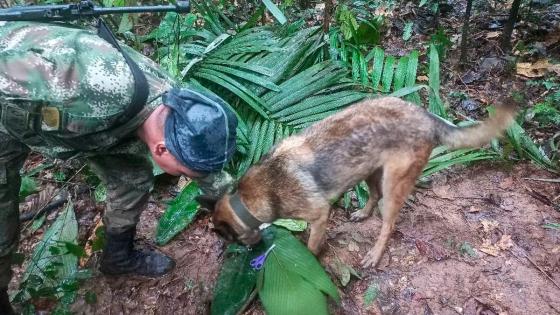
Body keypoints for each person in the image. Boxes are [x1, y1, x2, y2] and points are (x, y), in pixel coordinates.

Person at [0, 20, 237, 314]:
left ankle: (117, 257)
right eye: (186, 173)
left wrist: (241, 213)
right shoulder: (91, 91)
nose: (189, 177)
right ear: (160, 149)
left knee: (132, 180)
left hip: (86, 127)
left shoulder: (176, 109)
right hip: (9, 110)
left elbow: (205, 168)